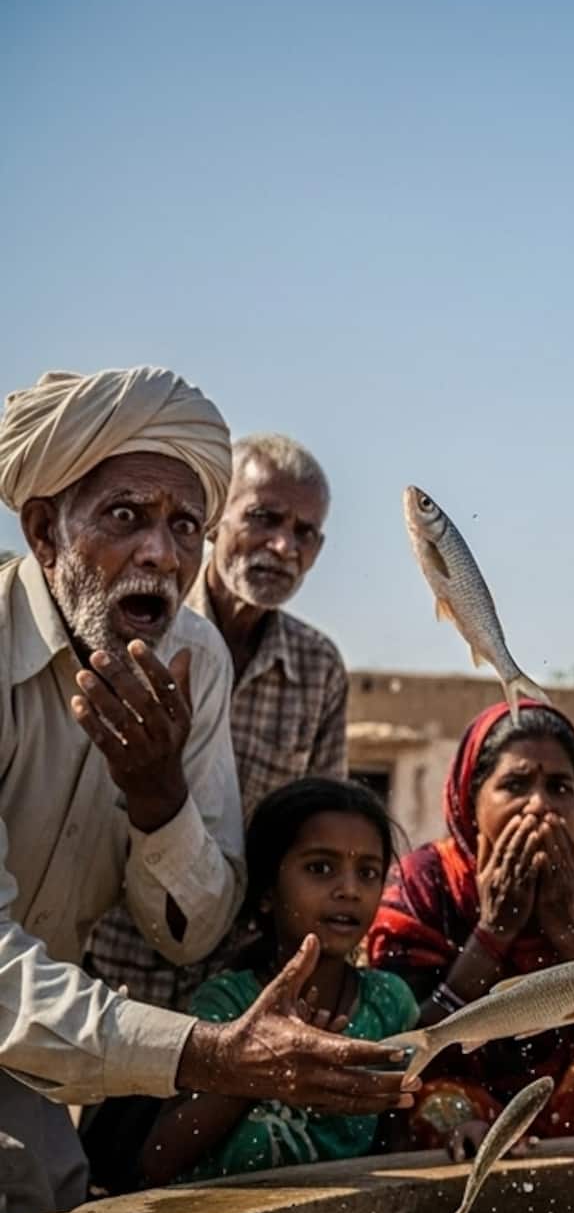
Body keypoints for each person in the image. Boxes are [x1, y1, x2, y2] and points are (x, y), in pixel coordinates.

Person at [0, 366, 408, 1213]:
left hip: (78, 1028)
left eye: (184, 525)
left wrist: (159, 800)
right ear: (43, 530)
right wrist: (214, 1053)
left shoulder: (197, 660)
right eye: (126, 517)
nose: (161, 552)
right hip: (76, 1011)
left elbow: (195, 928)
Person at [85, 433, 349, 1012]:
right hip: (106, 964)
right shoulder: (140, 627)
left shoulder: (319, 667)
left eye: (305, 532)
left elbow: (321, 829)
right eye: (264, 518)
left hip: (237, 982)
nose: (283, 545)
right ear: (211, 523)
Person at [366, 700, 574, 1155]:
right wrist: (494, 930)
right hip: (466, 1105)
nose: (539, 807)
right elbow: (403, 1039)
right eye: (515, 785)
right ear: (471, 799)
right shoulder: (427, 881)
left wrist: (564, 923)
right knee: (428, 1100)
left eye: (559, 787)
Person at [136, 779, 414, 1184]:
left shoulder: (388, 1004)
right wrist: (256, 1067)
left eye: (368, 872)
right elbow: (158, 1161)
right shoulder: (229, 1003)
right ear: (267, 892)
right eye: (321, 868)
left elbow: (395, 1144)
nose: (350, 890)